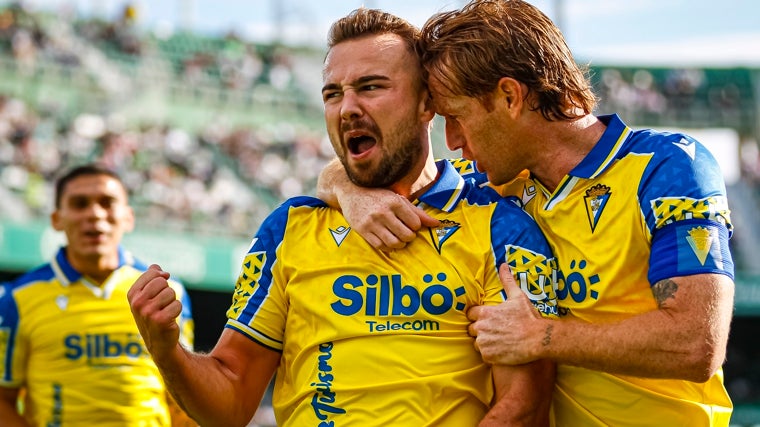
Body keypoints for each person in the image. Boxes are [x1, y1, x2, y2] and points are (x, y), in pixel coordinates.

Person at [127, 8, 558, 427]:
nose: (347, 108)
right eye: (333, 93)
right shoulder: (289, 229)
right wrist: (169, 351)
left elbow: (523, 407)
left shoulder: (501, 227)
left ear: (428, 103)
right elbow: (230, 402)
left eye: (370, 87)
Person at [317, 0, 736, 425]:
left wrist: (541, 337)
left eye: (456, 116)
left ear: (509, 96)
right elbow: (376, 172)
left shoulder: (666, 167)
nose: (453, 139)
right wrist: (349, 191)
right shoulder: (491, 183)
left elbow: (695, 343)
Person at [0, 164, 195, 427]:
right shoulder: (18, 298)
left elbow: (184, 396)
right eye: (80, 204)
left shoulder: (167, 292)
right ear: (57, 219)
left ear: (128, 217)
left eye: (107, 203)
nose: (94, 213)